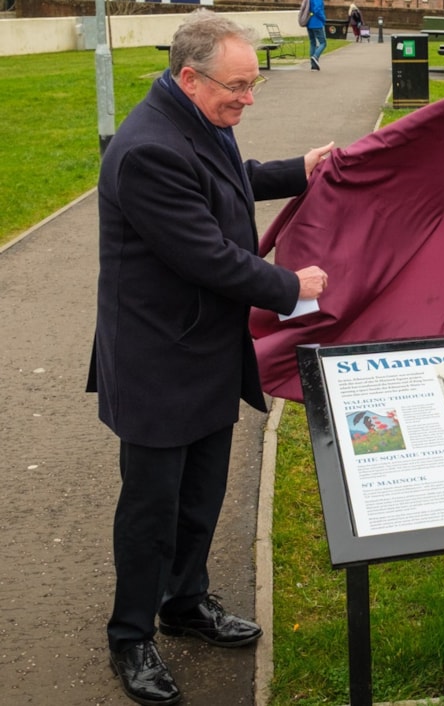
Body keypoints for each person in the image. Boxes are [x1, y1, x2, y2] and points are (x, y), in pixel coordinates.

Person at [87, 10, 333, 705]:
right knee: (151, 508)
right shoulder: (148, 151)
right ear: (189, 77)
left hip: (204, 350)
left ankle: (185, 602)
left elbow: (231, 180)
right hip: (157, 361)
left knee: (200, 497)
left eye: (253, 85)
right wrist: (292, 286)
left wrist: (300, 170)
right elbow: (205, 255)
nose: (247, 99)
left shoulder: (200, 121)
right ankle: (131, 636)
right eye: (238, 87)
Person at [306, 0, 327, 70]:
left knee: (313, 43)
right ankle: (315, 56)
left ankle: (313, 65)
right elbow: (317, 10)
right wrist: (323, 19)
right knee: (323, 43)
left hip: (309, 22)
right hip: (317, 23)